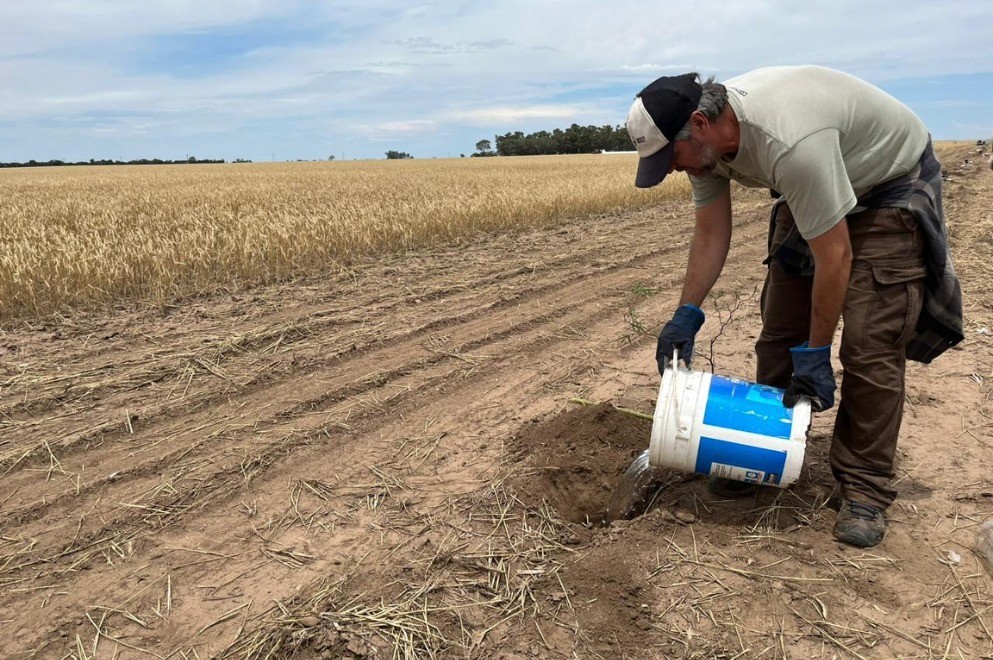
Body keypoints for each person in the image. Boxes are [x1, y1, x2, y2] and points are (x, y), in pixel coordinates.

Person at [627, 66, 963, 548]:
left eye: (671, 158)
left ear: (699, 125)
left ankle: (865, 487)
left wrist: (818, 351)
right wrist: (687, 312)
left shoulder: (787, 140)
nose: (674, 169)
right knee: (780, 329)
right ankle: (759, 449)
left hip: (887, 185)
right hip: (817, 181)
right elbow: (711, 232)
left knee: (870, 344)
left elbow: (836, 256)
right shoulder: (707, 150)